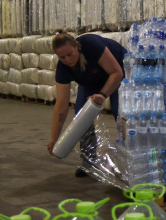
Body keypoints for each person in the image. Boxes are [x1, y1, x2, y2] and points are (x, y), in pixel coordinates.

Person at [47, 31, 126, 175]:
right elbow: (61, 106)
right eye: (62, 57)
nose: (67, 60)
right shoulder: (63, 68)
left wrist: (103, 95)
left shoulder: (91, 45)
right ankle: (89, 161)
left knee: (120, 111)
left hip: (119, 70)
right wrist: (54, 138)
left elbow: (117, 73)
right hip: (92, 79)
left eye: (70, 54)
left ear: (76, 47)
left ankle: (129, 158)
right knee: (81, 115)